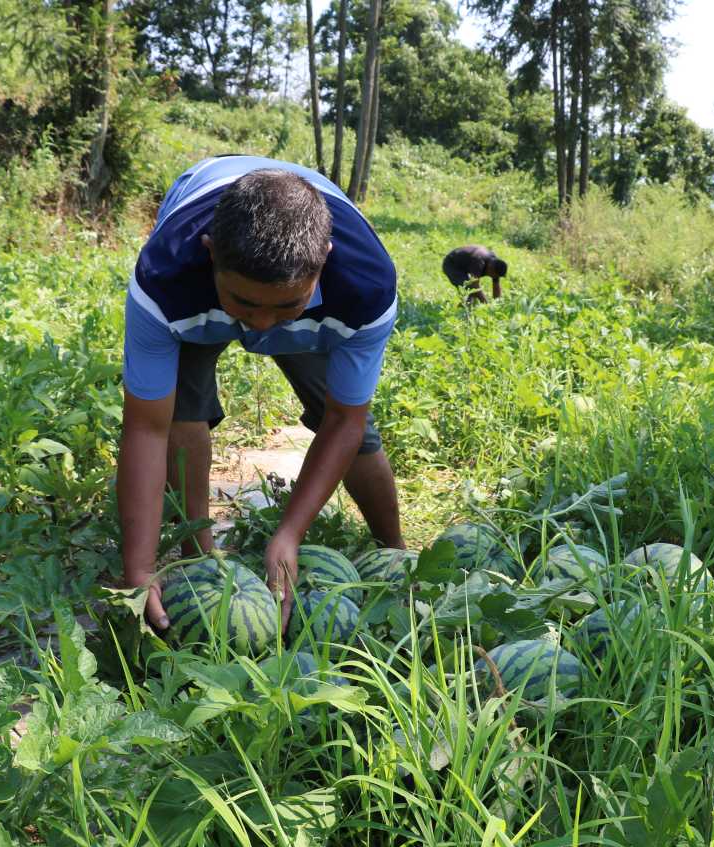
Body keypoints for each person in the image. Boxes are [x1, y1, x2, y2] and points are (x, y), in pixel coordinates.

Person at [119, 155, 406, 634]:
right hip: (196, 290)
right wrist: (139, 568)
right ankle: (199, 555)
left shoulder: (366, 288)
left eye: (286, 305)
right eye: (244, 303)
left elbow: (345, 421)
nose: (260, 325)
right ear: (209, 252)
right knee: (180, 412)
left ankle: (394, 552)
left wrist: (290, 533)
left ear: (325, 259)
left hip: (321, 303)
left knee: (356, 430)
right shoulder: (165, 279)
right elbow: (147, 427)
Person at [442, 244, 507, 303]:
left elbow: (496, 286)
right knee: (469, 290)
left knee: (473, 294)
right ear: (491, 269)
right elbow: (474, 285)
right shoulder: (479, 261)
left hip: (465, 266)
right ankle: (462, 310)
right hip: (452, 264)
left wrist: (496, 303)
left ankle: (467, 308)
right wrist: (486, 304)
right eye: (495, 275)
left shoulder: (495, 263)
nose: (495, 277)